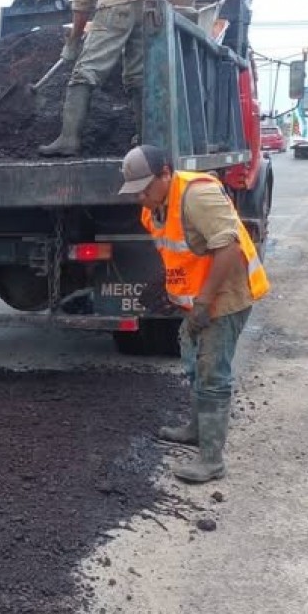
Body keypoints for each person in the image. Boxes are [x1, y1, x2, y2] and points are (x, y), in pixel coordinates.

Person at [117, 144, 270, 483]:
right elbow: (179, 255)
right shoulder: (153, 207)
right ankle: (195, 429)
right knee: (192, 361)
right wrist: (164, 291)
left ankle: (211, 461)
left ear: (166, 173)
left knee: (213, 374)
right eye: (135, 190)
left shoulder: (197, 195)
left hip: (225, 297)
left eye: (145, 186)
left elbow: (227, 247)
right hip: (195, 300)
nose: (140, 195)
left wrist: (203, 305)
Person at [39, 0, 177, 157]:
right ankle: (148, 141)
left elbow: (81, 2)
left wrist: (73, 42)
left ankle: (69, 139)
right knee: (138, 73)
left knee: (86, 70)